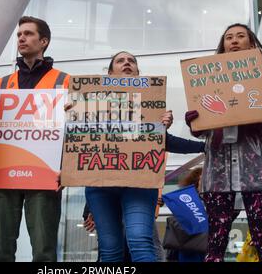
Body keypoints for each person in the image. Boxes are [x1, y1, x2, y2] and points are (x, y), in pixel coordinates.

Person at [185, 23, 262, 262]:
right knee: (215, 239)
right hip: (218, 174)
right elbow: (204, 131)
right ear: (223, 48)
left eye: (240, 36)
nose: (234, 40)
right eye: (228, 38)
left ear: (252, 44)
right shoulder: (207, 84)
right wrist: (195, 123)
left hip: (257, 172)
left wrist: (258, 121)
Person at [85, 51, 204, 262]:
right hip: (100, 187)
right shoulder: (89, 103)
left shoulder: (150, 103)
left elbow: (166, 142)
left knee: (140, 242)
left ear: (138, 72)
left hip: (139, 184)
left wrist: (203, 146)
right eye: (120, 61)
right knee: (109, 250)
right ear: (110, 72)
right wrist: (74, 115)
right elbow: (83, 146)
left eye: (131, 61)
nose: (127, 63)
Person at [0, 16, 70, 262]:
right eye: (19, 35)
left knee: (44, 249)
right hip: (3, 170)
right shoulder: (4, 83)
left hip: (44, 172)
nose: (21, 38)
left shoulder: (65, 81)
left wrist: (67, 169)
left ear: (43, 41)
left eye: (28, 34)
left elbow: (74, 132)